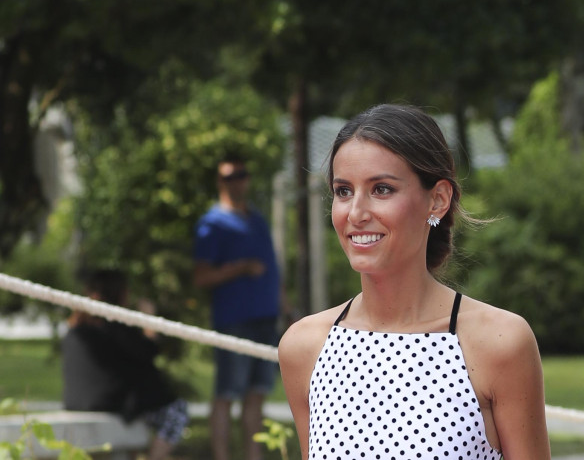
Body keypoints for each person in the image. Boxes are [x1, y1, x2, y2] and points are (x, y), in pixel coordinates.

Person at [278, 104, 551, 460]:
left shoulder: (499, 342)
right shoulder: (304, 347)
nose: (356, 213)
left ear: (437, 200)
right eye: (343, 191)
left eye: (381, 189)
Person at [192, 154, 284, 460]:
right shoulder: (212, 224)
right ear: (220, 181)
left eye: (241, 175)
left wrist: (287, 308)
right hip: (234, 322)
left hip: (266, 319)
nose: (237, 181)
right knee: (226, 394)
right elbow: (201, 277)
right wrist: (240, 268)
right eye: (229, 176)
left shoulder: (258, 219)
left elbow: (272, 270)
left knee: (257, 395)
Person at [62, 269, 189, 460]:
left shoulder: (75, 331)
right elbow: (148, 351)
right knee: (176, 412)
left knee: (139, 410)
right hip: (108, 405)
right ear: (121, 294)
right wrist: (149, 320)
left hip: (75, 404)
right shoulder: (115, 328)